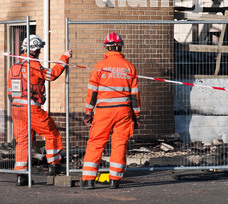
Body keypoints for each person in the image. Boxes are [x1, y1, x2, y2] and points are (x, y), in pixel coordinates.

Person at [7, 34, 72, 186]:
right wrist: (64, 57)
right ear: (34, 50)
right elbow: (51, 75)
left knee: (22, 142)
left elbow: (10, 92)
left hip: (16, 109)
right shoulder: (33, 65)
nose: (40, 53)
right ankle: (54, 165)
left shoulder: (14, 66)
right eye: (39, 50)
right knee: (51, 133)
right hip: (31, 108)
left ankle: (21, 176)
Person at [81, 32, 141, 190]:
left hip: (103, 112)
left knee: (96, 143)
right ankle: (115, 180)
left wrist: (88, 112)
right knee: (119, 144)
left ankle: (88, 180)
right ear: (120, 47)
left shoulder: (100, 66)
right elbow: (135, 96)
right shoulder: (129, 67)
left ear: (106, 48)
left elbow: (92, 92)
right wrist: (136, 116)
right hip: (124, 112)